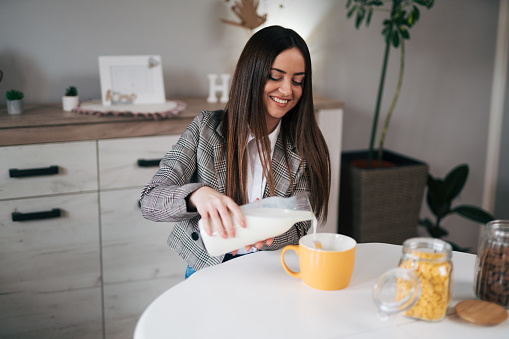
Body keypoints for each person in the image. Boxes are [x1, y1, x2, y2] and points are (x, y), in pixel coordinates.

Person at [140, 25, 331, 278]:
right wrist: (196, 194)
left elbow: (301, 225)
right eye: (276, 76)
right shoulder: (206, 129)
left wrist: (272, 234)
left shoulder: (304, 144)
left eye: (298, 81)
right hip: (207, 271)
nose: (287, 90)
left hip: (271, 271)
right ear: (251, 74)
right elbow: (150, 200)